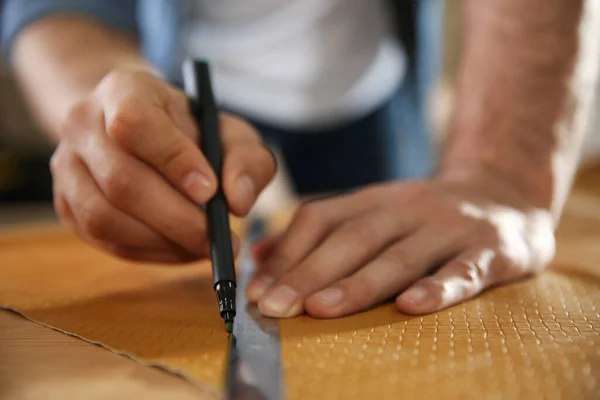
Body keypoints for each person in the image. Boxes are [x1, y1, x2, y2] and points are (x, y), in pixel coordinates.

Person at [1, 0, 598, 320]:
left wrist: (501, 175)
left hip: (372, 86)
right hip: (189, 81)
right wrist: (105, 111)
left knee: (402, 256)